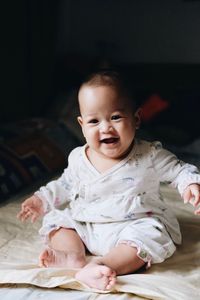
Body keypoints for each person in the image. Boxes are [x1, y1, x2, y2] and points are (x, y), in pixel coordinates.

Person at [17, 70, 200, 291]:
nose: (105, 127)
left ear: (136, 119)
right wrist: (41, 200)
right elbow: (64, 185)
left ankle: (104, 265)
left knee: (150, 236)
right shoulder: (78, 158)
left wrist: (190, 184)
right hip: (87, 223)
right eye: (94, 121)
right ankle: (72, 256)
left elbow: (178, 170)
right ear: (82, 125)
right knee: (60, 225)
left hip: (133, 224)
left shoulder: (149, 155)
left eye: (115, 117)